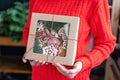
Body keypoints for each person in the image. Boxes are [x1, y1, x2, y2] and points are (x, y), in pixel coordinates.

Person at [22, 0, 116, 80]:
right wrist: (33, 52)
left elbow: (106, 43)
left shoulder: (94, 1)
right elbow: (28, 31)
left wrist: (82, 63)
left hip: (75, 77)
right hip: (39, 76)